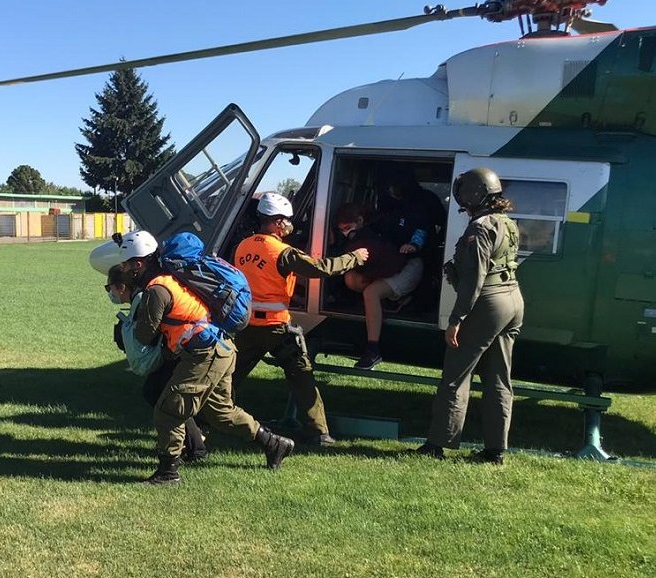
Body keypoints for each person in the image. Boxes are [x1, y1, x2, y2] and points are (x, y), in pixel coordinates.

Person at [114, 229, 296, 485]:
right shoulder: (172, 280)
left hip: (204, 353)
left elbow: (144, 336)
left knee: (169, 410)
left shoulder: (158, 289)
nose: (124, 270)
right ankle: (274, 444)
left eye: (126, 265)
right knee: (221, 413)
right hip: (220, 348)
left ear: (139, 264)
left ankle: (168, 472)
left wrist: (126, 331)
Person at [232, 192, 369, 446]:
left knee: (228, 377)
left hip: (247, 325)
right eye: (286, 219)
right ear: (276, 222)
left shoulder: (243, 246)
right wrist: (354, 258)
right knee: (302, 377)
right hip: (276, 328)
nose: (288, 224)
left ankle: (205, 419)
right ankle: (319, 433)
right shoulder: (283, 252)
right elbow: (321, 268)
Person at [416, 167, 524, 464]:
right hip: (512, 299)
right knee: (499, 379)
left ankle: (438, 443)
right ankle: (495, 450)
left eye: (464, 192)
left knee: (456, 375)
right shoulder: (507, 223)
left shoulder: (479, 228)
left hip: (487, 303)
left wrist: (456, 319)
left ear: (476, 194)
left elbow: (474, 278)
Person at [106, 262, 209, 464]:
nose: (110, 293)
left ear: (121, 287)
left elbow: (147, 335)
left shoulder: (144, 298)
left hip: (177, 351)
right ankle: (194, 446)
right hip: (179, 349)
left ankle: (189, 450)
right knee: (163, 397)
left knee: (165, 400)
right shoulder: (144, 296)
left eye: (109, 288)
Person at [343, 169, 443, 369]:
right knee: (352, 279)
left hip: (411, 262)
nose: (389, 191)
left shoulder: (421, 206)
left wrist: (415, 245)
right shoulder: (388, 209)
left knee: (371, 292)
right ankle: (394, 299)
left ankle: (372, 350)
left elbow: (423, 231)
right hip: (390, 261)